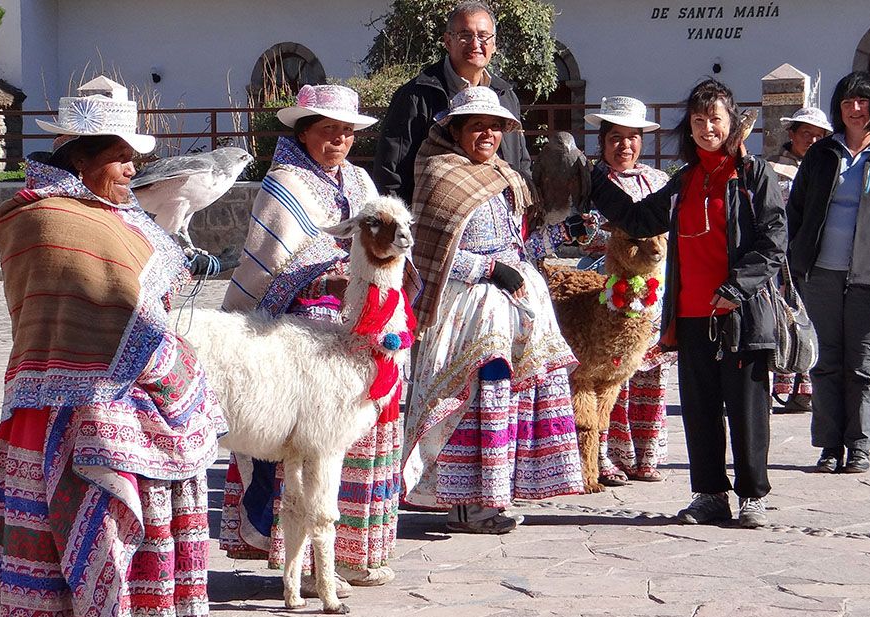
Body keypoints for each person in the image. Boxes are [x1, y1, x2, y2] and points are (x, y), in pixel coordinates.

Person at [0, 78, 227, 617]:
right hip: (75, 404)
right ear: (81, 155)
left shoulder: (117, 216)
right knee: (93, 523)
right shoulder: (43, 218)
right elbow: (89, 306)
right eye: (120, 155)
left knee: (130, 523)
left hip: (134, 396)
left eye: (135, 155)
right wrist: (166, 360)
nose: (133, 167)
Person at [219, 84, 402, 589]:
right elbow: (264, 270)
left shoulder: (362, 181)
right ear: (303, 131)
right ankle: (300, 557)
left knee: (363, 436)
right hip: (301, 337)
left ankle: (356, 551)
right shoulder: (282, 185)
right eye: (328, 130)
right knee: (305, 446)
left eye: (346, 131)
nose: (338, 140)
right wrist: (324, 278)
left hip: (361, 329)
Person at [590, 79, 787, 528]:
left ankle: (753, 496)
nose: (706, 128)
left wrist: (736, 288)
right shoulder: (684, 181)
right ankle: (710, 495)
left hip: (740, 316)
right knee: (700, 409)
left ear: (731, 121)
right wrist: (596, 182)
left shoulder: (754, 176)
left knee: (747, 410)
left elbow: (774, 242)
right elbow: (639, 220)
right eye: (698, 121)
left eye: (714, 118)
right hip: (693, 314)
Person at [403, 86, 583, 535]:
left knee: (507, 397)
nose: (487, 134)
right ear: (457, 130)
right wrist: (488, 268)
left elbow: (521, 242)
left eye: (496, 127)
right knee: (477, 398)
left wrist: (566, 232)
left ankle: (493, 498)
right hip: (469, 308)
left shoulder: (505, 178)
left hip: (512, 305)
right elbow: (428, 252)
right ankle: (463, 504)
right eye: (477, 125)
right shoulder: (441, 175)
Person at [786, 71, 870, 474]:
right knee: (826, 363)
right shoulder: (821, 153)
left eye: (862, 101)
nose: (855, 108)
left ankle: (859, 446)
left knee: (863, 365)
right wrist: (795, 261)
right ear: (839, 108)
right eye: (848, 102)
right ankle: (830, 446)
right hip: (821, 277)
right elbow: (796, 211)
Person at [578, 96, 675, 486]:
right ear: (602, 141)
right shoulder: (590, 184)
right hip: (605, 294)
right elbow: (575, 233)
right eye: (616, 137)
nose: (625, 146)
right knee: (606, 377)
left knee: (648, 376)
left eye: (632, 138)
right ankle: (603, 456)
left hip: (652, 295)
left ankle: (643, 454)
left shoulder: (658, 182)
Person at [372, 1, 530, 203]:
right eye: (465, 36)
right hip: (432, 221)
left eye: (483, 36)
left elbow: (520, 162)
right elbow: (391, 174)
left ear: (494, 44)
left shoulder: (505, 95)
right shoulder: (417, 95)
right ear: (447, 42)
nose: (475, 44)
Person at [767, 106, 832, 414]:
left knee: (809, 319)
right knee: (779, 318)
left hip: (814, 255)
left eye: (819, 135)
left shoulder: (828, 169)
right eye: (806, 133)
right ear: (791, 134)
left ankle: (804, 390)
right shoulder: (769, 168)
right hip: (779, 255)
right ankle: (774, 385)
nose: (812, 139)